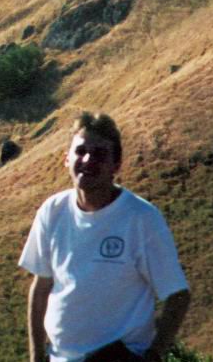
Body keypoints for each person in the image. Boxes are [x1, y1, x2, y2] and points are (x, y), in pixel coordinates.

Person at [19, 112, 191, 362]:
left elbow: (178, 295)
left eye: (99, 154)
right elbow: (41, 287)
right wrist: (36, 356)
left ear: (116, 165)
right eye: (80, 151)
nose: (88, 160)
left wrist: (154, 356)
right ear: (66, 159)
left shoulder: (141, 218)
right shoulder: (52, 211)